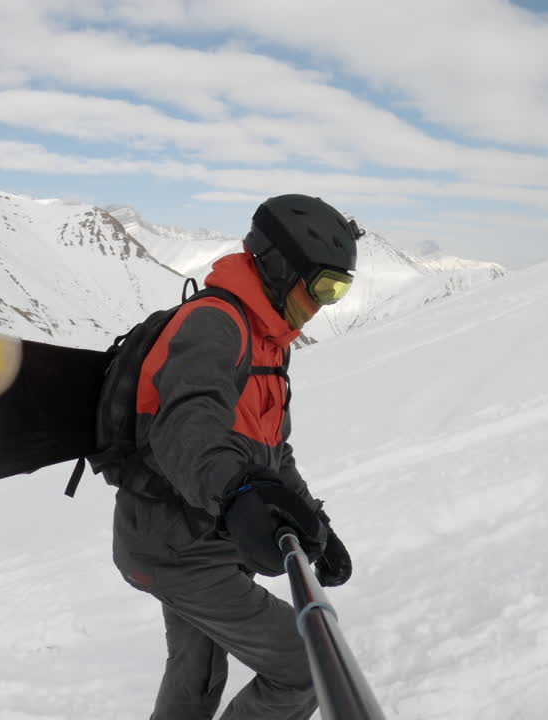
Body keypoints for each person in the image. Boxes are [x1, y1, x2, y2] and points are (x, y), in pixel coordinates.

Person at [104, 194, 359, 719]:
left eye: (339, 291)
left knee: (195, 670)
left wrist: (317, 523)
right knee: (306, 667)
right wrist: (237, 492)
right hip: (175, 544)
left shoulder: (268, 339)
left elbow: (273, 451)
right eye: (322, 287)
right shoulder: (216, 325)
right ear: (280, 267)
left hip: (201, 535)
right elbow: (186, 426)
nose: (324, 305)